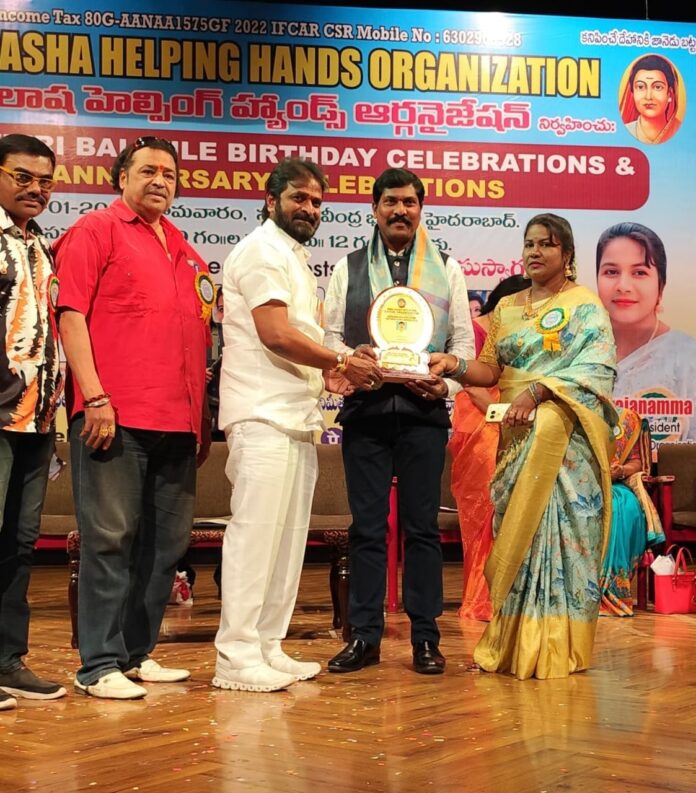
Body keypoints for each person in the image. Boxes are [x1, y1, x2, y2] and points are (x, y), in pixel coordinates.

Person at [213, 158, 381, 693]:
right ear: (271, 201)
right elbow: (276, 335)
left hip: (295, 416)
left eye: (316, 202)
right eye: (298, 198)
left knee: (285, 543)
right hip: (261, 413)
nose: (309, 208)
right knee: (255, 538)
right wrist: (340, 361)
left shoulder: (294, 257)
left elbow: (300, 339)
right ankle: (236, 655)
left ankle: (267, 645)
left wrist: (334, 369)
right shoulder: (261, 250)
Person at [53, 136, 212, 700]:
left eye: (169, 173)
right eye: (147, 171)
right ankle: (97, 665)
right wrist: (94, 398)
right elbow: (70, 314)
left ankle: (136, 654)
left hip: (177, 422)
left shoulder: (185, 249)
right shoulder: (95, 230)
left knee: (165, 545)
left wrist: (199, 420)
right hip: (114, 416)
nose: (160, 181)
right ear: (122, 177)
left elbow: (196, 340)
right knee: (109, 539)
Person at [430, 212, 617, 680]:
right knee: (520, 535)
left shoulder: (585, 307)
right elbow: (490, 371)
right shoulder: (508, 308)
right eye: (529, 243)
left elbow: (597, 370)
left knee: (564, 536)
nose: (535, 252)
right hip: (516, 440)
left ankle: (558, 646)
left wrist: (538, 393)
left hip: (565, 442)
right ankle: (514, 642)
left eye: (546, 244)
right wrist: (455, 365)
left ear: (567, 254)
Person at [324, 167, 475, 675]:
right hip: (365, 413)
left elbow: (462, 346)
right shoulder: (347, 268)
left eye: (409, 202)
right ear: (374, 209)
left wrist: (446, 384)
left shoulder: (447, 269)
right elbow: (328, 338)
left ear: (421, 210)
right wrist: (351, 358)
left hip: (422, 414)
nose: (400, 211)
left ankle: (426, 639)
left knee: (422, 530)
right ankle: (363, 637)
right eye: (390, 202)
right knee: (367, 529)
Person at [0, 134, 66, 711]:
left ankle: (7, 661)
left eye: (45, 181)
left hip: (36, 420)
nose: (36, 190)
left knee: (19, 544)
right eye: (23, 177)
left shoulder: (41, 246)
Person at [449, 275, 528, 622]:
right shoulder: (477, 330)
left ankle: (506, 593)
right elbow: (470, 383)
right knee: (484, 509)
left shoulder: (509, 330)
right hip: (480, 423)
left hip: (504, 421)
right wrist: (500, 414)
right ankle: (481, 596)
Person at [596, 222, 696, 444]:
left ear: (661, 285)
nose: (623, 285)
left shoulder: (687, 358)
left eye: (639, 272)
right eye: (611, 272)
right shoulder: (580, 350)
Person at [601, 406, 665, 617]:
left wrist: (622, 470)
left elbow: (636, 462)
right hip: (578, 483)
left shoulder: (626, 420)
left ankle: (613, 588)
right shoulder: (572, 411)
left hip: (617, 485)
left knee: (622, 506)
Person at [620, 54, 682, 144]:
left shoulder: (682, 131)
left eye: (657, 87)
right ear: (633, 93)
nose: (648, 96)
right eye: (640, 87)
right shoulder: (623, 132)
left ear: (669, 93)